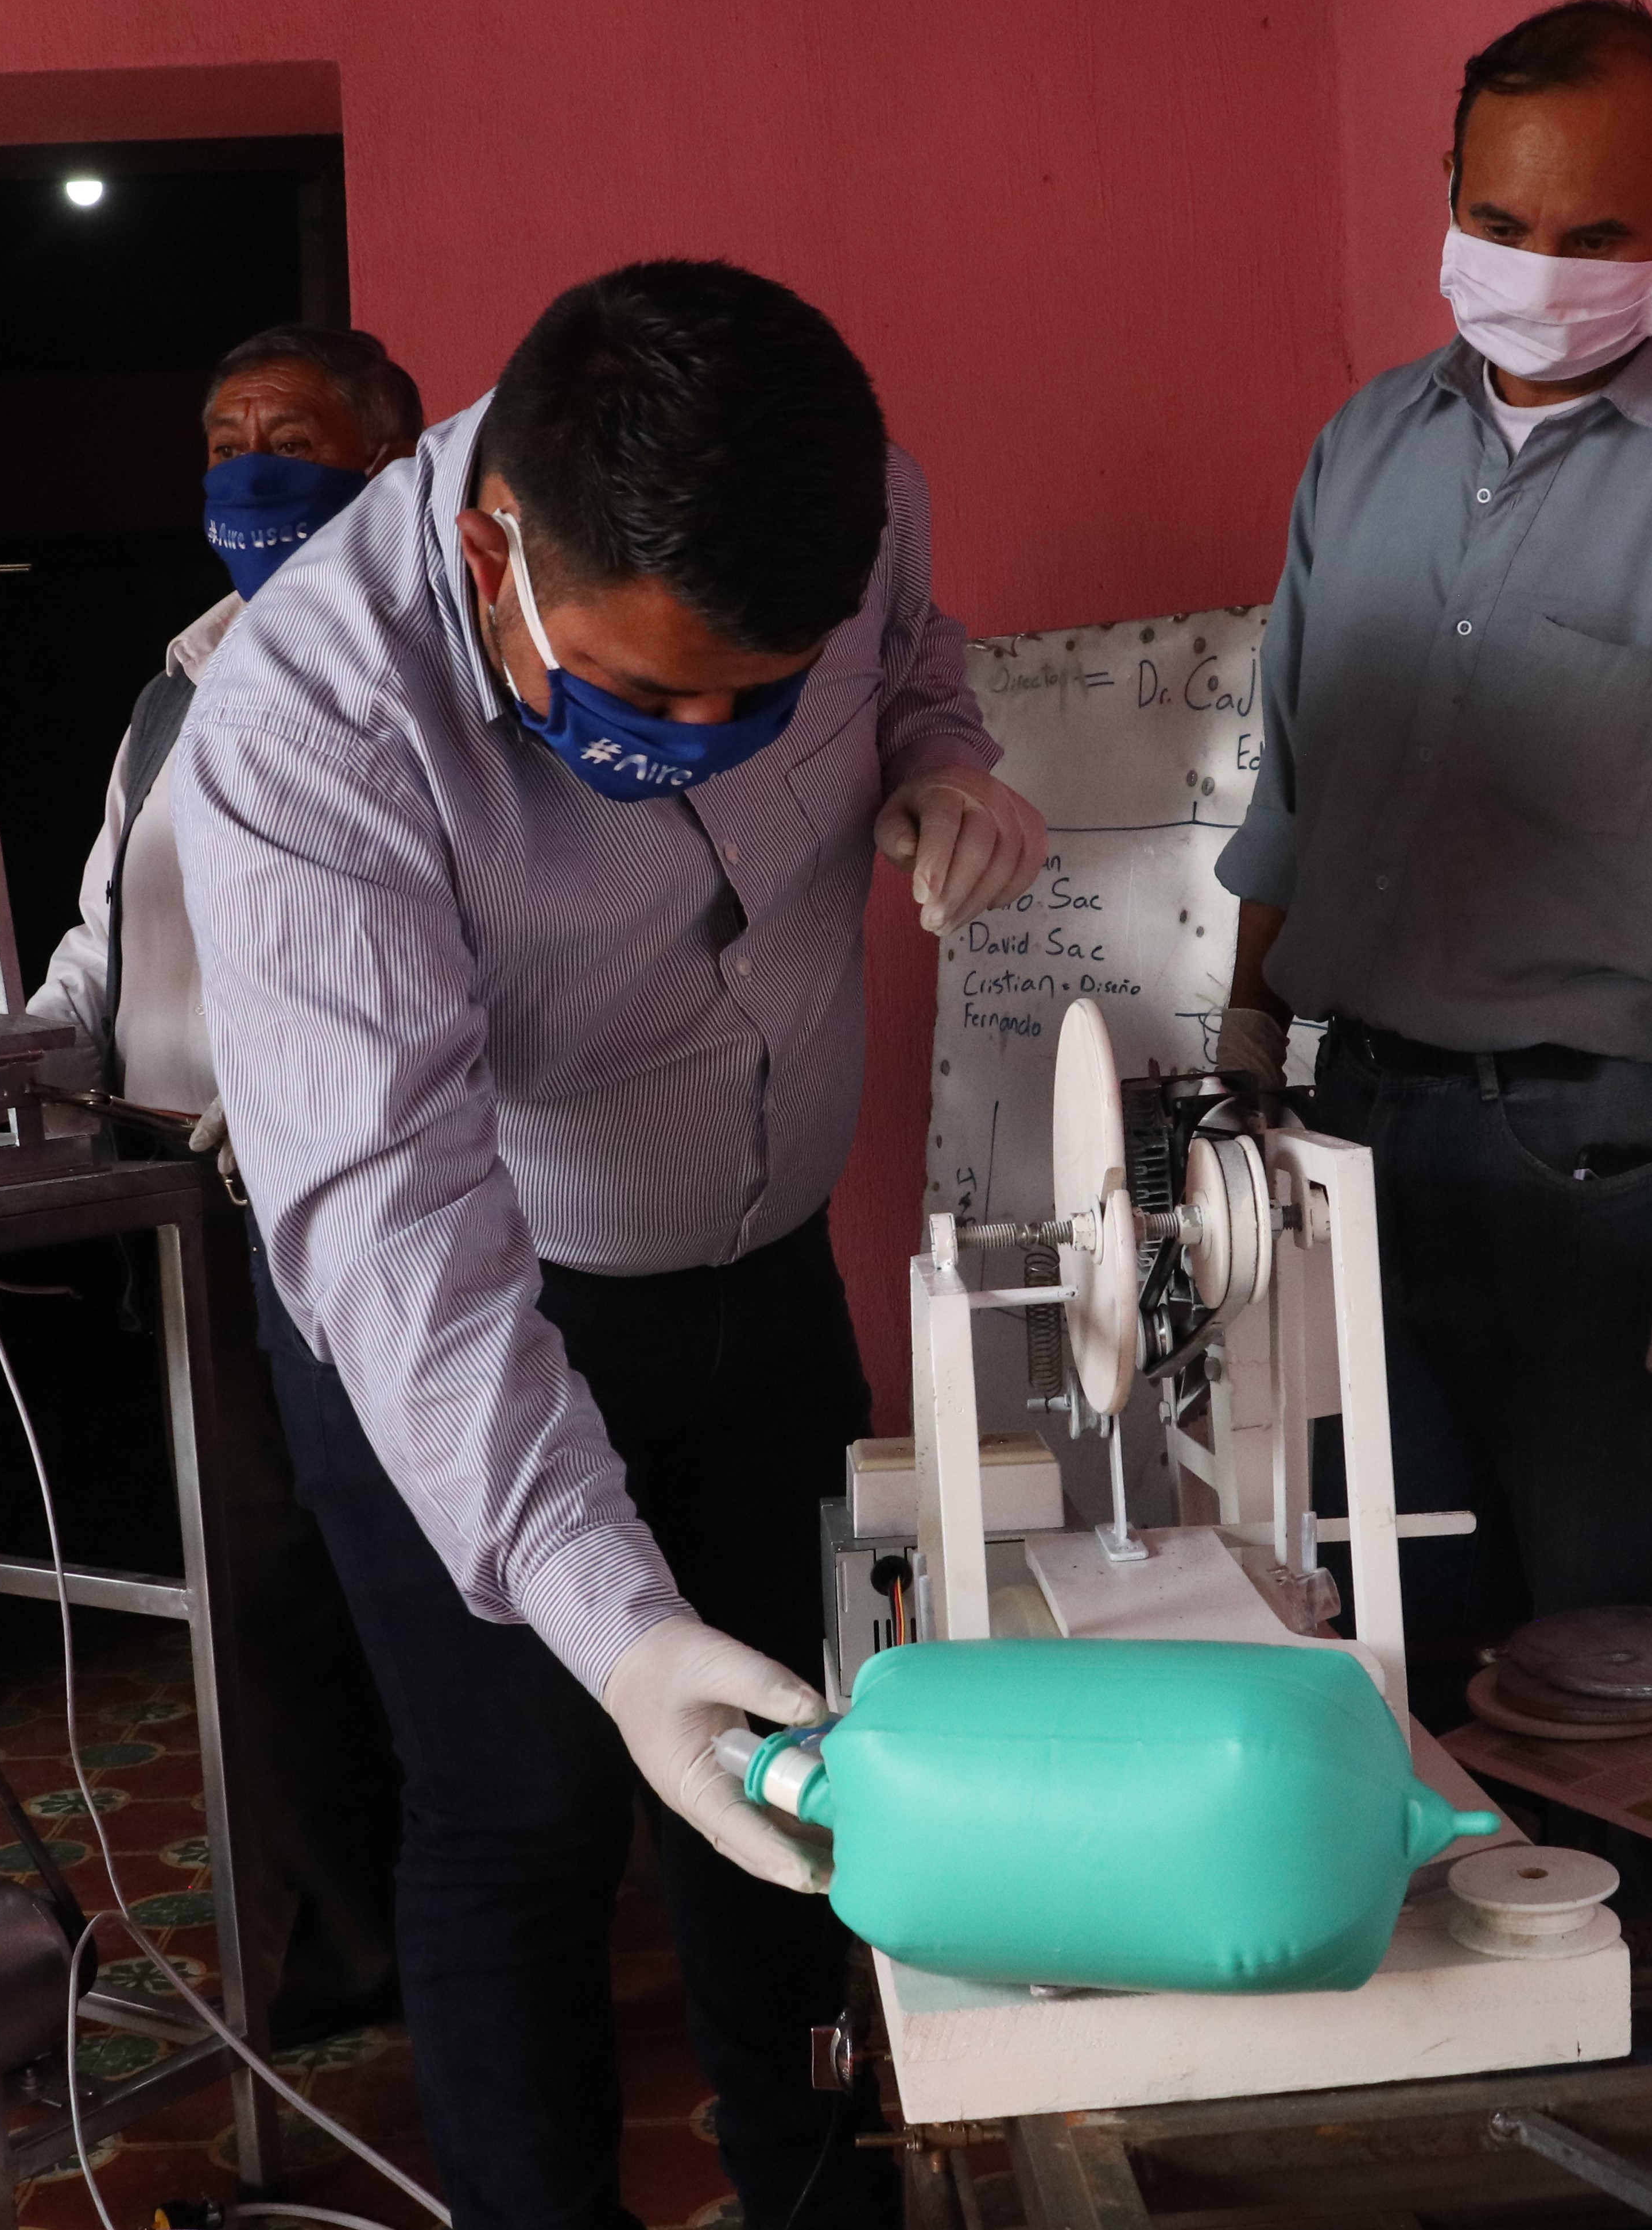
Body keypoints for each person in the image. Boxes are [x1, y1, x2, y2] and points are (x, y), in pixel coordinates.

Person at [177, 260, 1045, 2230]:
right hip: (473, 1311)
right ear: (494, 550)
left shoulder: (849, 501)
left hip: (758, 1268)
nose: (723, 741)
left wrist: (932, 752)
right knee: (526, 1814)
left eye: (768, 695)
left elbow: (911, 653)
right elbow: (399, 1233)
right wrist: (615, 1621)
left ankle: (818, 2196)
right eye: (651, 699)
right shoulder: (304, 732)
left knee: (807, 1777)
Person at [1215, 0, 1652, 1715]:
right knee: (1388, 1635)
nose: (1534, 270)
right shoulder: (1365, 446)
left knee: (1612, 1682)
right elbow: (1291, 783)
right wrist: (1243, 1045)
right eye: (1498, 222)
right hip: (1352, 1130)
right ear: (1447, 182)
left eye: (1593, 236)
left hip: (1595, 1165)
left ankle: (1631, 1989)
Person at [23, 320, 425, 2042]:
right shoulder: (175, 680)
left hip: (364, 1187)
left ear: (394, 464)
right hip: (183, 1193)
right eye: (222, 436)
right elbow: (104, 937)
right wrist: (7, 1053)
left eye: (291, 435)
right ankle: (328, 1956)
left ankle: (454, 1917)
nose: (248, 466)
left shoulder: (432, 669)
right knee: (252, 1586)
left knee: (395, 1562)